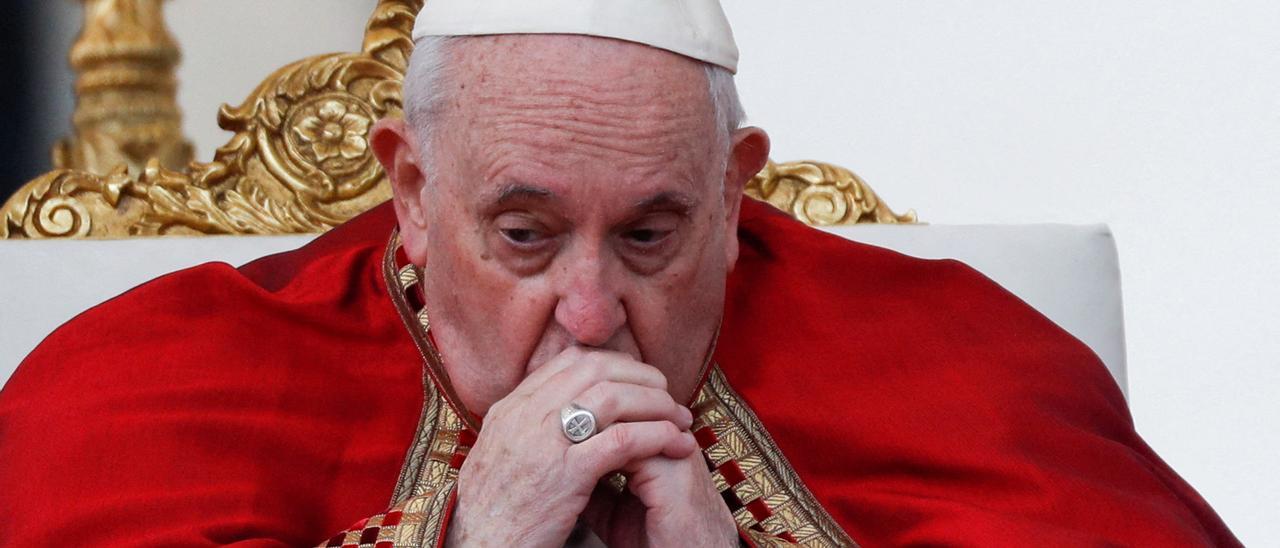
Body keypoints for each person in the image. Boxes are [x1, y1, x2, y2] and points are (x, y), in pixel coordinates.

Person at [0, 1, 1239, 546]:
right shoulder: (160, 381)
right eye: (524, 235)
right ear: (416, 193)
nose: (590, 315)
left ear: (733, 185)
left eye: (652, 234)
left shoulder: (965, 365)